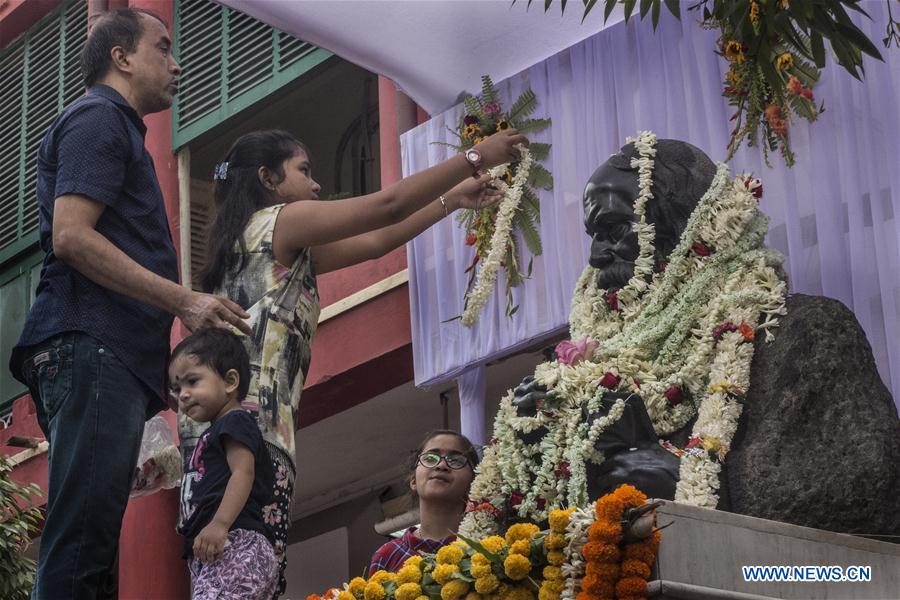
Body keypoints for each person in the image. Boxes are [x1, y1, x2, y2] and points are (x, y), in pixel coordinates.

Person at [179, 126, 526, 595]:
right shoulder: (282, 222)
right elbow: (386, 206)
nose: (316, 184)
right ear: (268, 178)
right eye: (304, 171)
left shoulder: (253, 241)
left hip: (225, 449)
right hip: (248, 442)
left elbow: (378, 240)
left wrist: (453, 200)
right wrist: (475, 156)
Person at [8, 9, 249, 598]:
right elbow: (71, 236)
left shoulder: (116, 130)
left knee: (91, 551)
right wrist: (183, 300)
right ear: (121, 57)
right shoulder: (97, 119)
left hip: (102, 354)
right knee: (81, 548)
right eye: (163, 48)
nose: (177, 64)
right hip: (92, 346)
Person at [170, 328, 278, 599]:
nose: (182, 394)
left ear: (230, 381)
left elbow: (243, 472)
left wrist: (220, 523)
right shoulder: (214, 431)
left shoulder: (235, 421)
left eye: (192, 382)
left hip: (236, 542)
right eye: (177, 388)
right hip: (220, 550)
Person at [369, 430, 479, 573]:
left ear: (473, 483)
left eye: (456, 460)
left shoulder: (485, 548)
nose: (441, 465)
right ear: (413, 480)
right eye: (431, 458)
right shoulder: (387, 556)